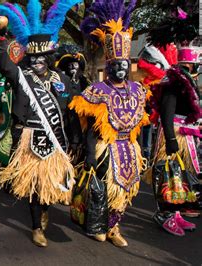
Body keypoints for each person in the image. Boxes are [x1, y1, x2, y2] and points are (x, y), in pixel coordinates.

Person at [0, 0, 82, 247]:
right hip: (30, 138)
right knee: (34, 185)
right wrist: (0, 37)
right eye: (33, 58)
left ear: (48, 58)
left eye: (41, 58)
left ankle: (45, 209)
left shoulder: (61, 78)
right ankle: (36, 226)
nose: (37, 62)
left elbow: (70, 110)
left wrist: (75, 138)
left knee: (50, 184)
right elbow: (5, 63)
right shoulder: (21, 77)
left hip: (57, 139)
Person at [70, 0, 149, 247]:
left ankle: (114, 227)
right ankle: (97, 225)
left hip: (130, 148)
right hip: (107, 148)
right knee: (101, 189)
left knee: (124, 192)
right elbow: (91, 124)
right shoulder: (98, 90)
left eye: (125, 65)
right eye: (116, 66)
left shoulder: (138, 90)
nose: (121, 70)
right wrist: (90, 153)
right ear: (109, 66)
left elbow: (142, 121)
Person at [145, 9, 201, 235]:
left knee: (181, 176)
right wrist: (169, 138)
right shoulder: (174, 79)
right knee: (167, 173)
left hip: (185, 133)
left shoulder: (184, 78)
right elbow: (167, 111)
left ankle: (176, 213)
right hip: (173, 132)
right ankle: (163, 214)